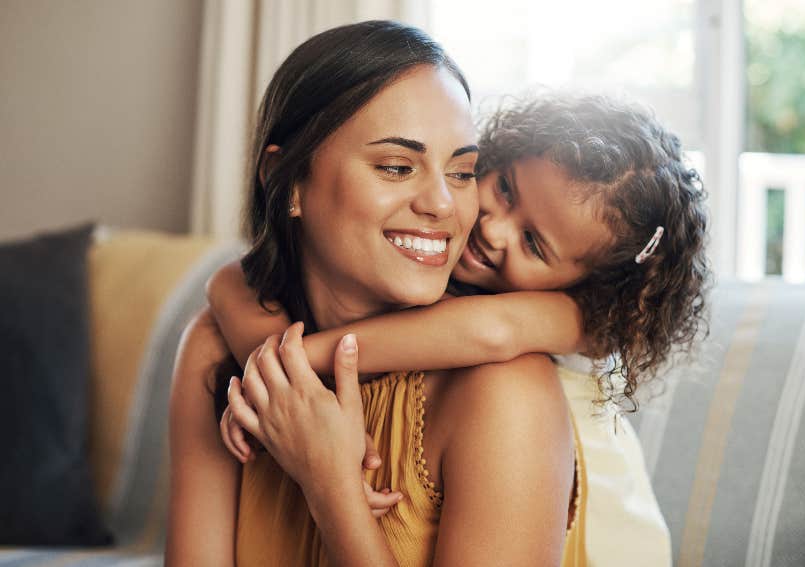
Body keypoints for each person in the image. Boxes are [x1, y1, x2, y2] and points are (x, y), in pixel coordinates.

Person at [212, 92, 709, 564]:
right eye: (506, 189)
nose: (494, 229)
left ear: (592, 285)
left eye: (533, 244)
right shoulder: (436, 260)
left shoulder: (586, 319)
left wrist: (295, 364)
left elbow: (486, 333)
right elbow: (230, 283)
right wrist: (272, 385)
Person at [166, 20, 583, 567]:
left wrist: (331, 487)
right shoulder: (216, 353)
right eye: (396, 166)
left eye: (461, 172)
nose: (442, 204)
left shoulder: (505, 390)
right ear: (286, 179)